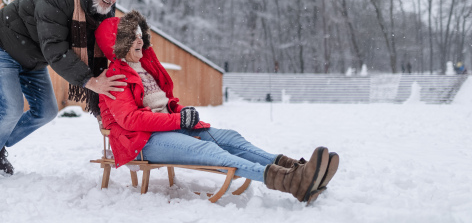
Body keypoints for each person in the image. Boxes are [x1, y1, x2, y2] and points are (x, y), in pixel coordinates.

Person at [95, 10, 340, 204]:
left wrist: (181, 112)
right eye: (132, 36)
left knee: (231, 139)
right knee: (213, 153)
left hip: (169, 128)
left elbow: (162, 104)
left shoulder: (145, 68)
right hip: (142, 142)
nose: (140, 39)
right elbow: (132, 120)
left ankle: (297, 170)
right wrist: (178, 121)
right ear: (118, 44)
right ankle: (290, 182)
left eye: (140, 35)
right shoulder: (113, 77)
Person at [0, 0, 128, 191]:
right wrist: (90, 82)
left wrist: (101, 105)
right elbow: (55, 49)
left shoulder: (102, 11)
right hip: (3, 46)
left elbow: (99, 57)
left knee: (47, 111)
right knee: (11, 109)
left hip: (33, 58)